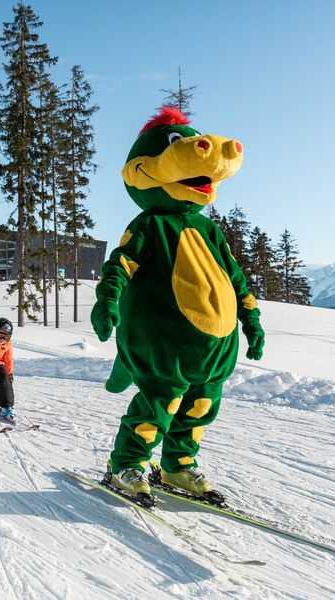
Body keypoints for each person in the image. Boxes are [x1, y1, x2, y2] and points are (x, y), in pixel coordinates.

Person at [91, 107, 263, 503]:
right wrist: (108, 303)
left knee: (201, 406)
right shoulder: (149, 225)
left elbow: (235, 278)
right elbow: (120, 264)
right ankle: (126, 463)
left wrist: (252, 320)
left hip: (216, 348)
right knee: (159, 403)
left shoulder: (209, 228)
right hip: (161, 342)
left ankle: (177, 466)